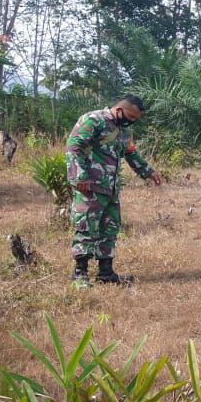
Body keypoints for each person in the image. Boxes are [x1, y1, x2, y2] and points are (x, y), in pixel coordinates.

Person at [65, 94, 162, 286]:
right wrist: (79, 176)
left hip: (110, 188)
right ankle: (79, 274)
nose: (131, 122)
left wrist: (147, 171)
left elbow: (130, 153)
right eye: (130, 117)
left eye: (135, 120)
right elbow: (74, 146)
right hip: (89, 186)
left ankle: (106, 273)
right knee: (86, 227)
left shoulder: (123, 131)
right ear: (119, 110)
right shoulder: (93, 120)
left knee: (110, 228)